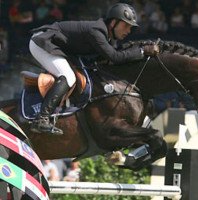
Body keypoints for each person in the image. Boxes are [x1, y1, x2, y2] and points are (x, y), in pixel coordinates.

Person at [29, 3, 159, 135]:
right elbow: (115, 57)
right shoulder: (96, 31)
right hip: (43, 42)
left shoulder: (109, 37)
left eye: (130, 28)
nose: (128, 31)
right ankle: (41, 119)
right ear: (113, 22)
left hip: (60, 48)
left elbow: (115, 57)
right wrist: (143, 51)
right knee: (68, 76)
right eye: (126, 26)